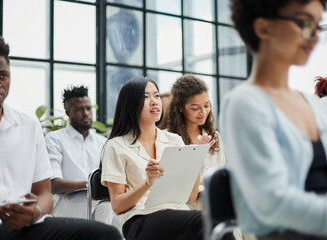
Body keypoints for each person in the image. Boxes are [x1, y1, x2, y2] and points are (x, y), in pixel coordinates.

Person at [0, 33, 121, 240]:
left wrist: (35, 212)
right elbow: (58, 185)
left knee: (105, 234)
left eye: (2, 75)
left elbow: (44, 194)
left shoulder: (29, 126)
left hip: (25, 225)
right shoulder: (57, 139)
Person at [220, 0, 327, 239]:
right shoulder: (245, 103)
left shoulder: (311, 103)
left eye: (317, 26)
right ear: (263, 28)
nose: (315, 37)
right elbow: (273, 203)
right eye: (304, 23)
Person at [101, 76, 214, 240]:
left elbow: (189, 197)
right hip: (140, 218)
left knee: (217, 223)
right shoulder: (116, 146)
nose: (154, 101)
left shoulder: (174, 140)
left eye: (156, 95)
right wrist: (147, 183)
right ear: (131, 104)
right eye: (145, 97)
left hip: (178, 213)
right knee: (206, 221)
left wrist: (197, 155)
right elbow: (118, 206)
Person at [45, 85, 120, 229]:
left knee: (126, 211)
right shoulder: (54, 139)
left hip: (99, 201)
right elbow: (54, 185)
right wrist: (92, 185)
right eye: (79, 109)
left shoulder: (102, 142)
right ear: (68, 112)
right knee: (106, 208)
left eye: (88, 108)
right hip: (66, 202)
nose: (85, 113)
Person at [165, 74, 225, 210]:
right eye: (195, 108)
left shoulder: (214, 136)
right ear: (180, 107)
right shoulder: (167, 138)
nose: (203, 112)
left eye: (206, 105)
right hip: (186, 206)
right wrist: (195, 153)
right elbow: (173, 186)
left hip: (214, 199)